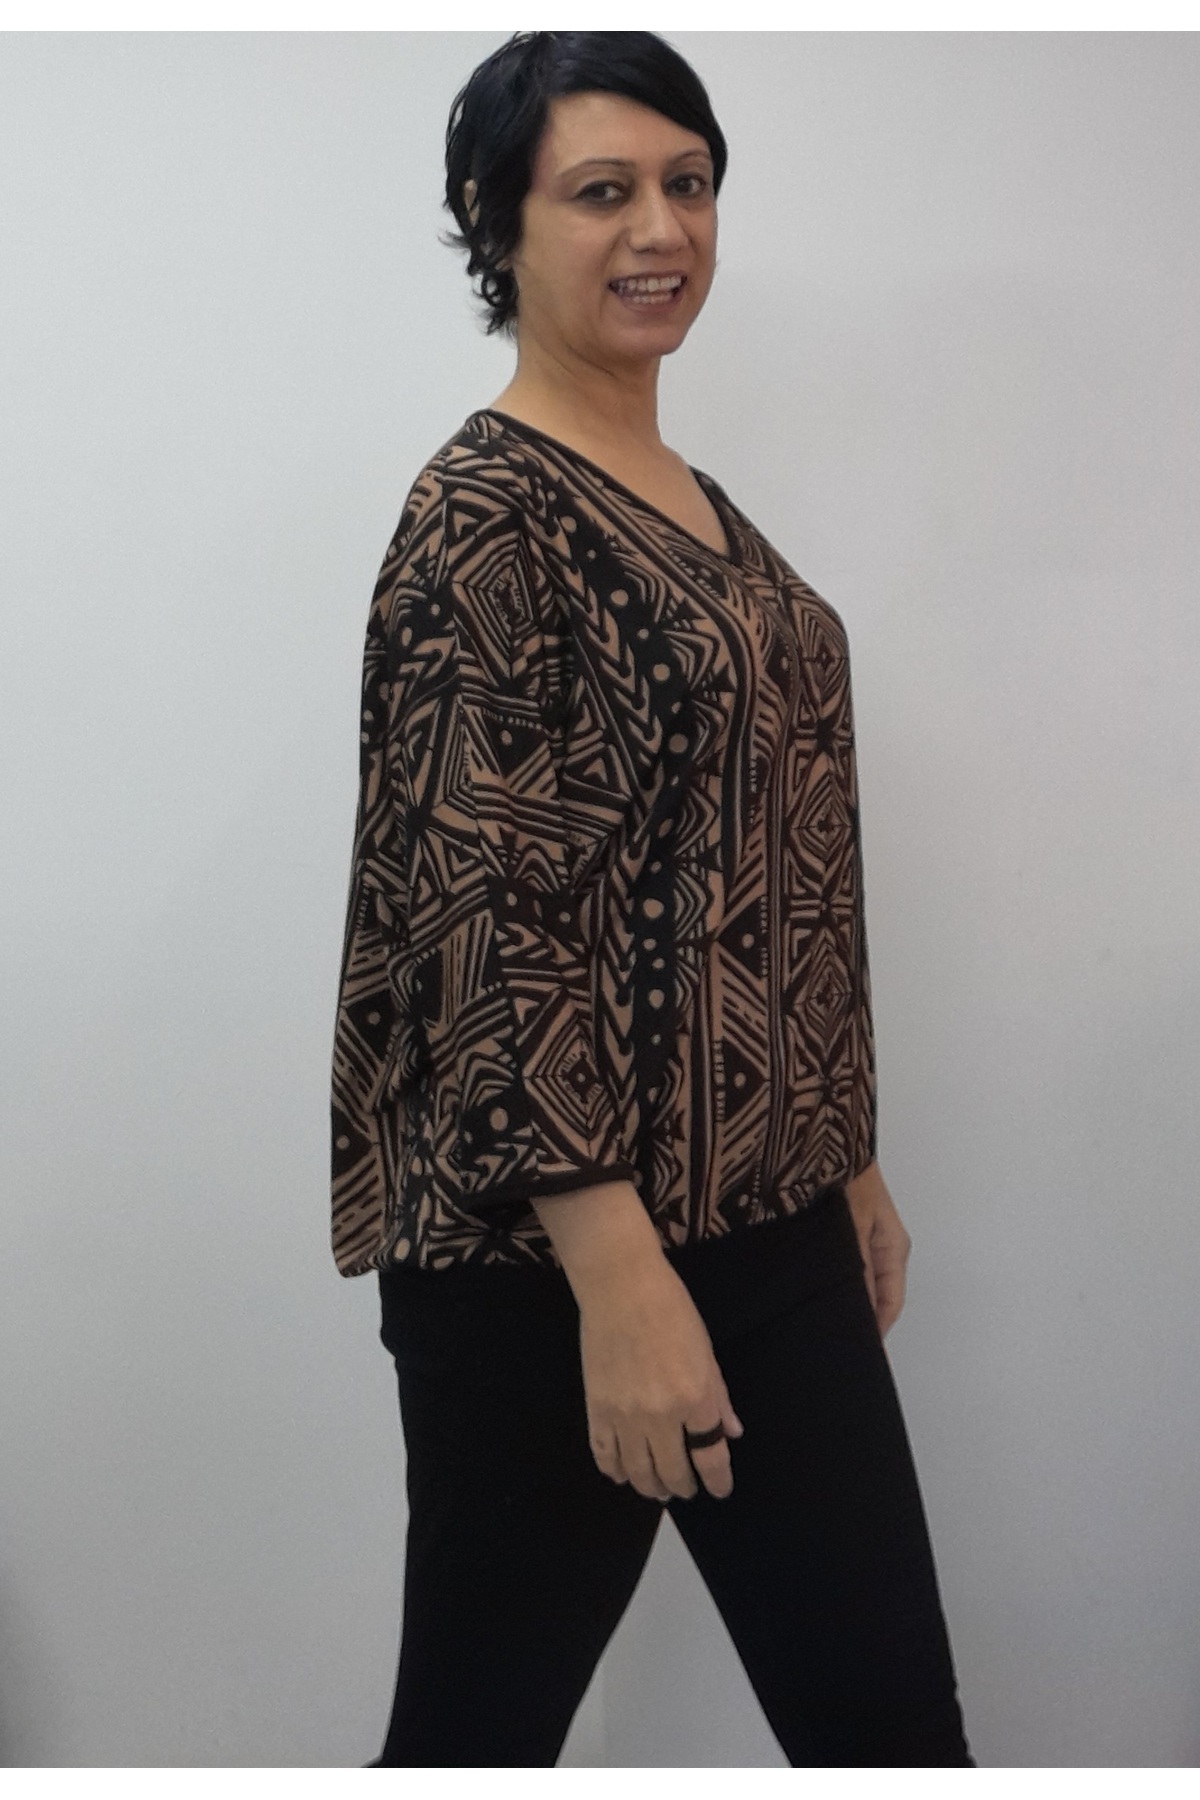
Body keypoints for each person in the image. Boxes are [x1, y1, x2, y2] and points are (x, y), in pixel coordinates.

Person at [331, 30, 976, 1770]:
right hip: (556, 1267)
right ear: (498, 221)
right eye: (601, 191)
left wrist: (843, 1155)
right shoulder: (481, 515)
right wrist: (617, 1279)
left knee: (893, 1735)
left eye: (688, 185)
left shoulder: (695, 500)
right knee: (474, 1739)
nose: (660, 229)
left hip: (768, 1224)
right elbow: (483, 918)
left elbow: (764, 858)